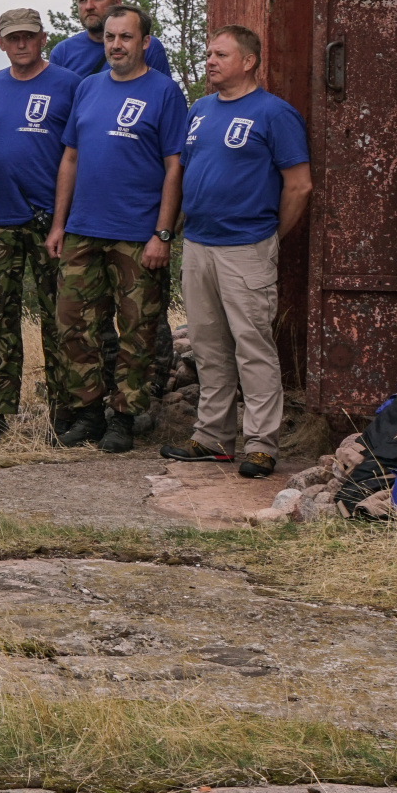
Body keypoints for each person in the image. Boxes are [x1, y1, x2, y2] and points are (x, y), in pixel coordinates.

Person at [161, 26, 312, 479]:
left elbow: (299, 184)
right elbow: (186, 171)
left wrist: (268, 237)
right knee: (209, 347)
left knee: (253, 348)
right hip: (199, 245)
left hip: (246, 247)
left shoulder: (274, 114)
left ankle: (262, 444)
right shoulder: (201, 110)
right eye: (208, 53)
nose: (210, 61)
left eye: (220, 54)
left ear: (248, 61)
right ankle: (213, 438)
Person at [44, 5, 187, 453]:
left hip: (136, 235)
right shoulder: (88, 88)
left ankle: (124, 417)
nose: (116, 45)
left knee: (137, 329)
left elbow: (174, 168)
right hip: (82, 230)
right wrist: (59, 224)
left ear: (145, 42)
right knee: (74, 325)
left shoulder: (165, 92)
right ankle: (86, 413)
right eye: (109, 37)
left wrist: (163, 234)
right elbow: (70, 158)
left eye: (126, 37)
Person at [0, 8, 79, 443]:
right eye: (12, 37)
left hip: (50, 223)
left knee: (59, 319)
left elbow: (77, 154)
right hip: (0, 220)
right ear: (1, 42)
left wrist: (60, 220)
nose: (21, 44)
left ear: (42, 39)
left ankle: (64, 415)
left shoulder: (69, 85)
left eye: (28, 36)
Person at [48, 0, 175, 80]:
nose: (89, 6)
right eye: (82, 0)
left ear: (117, 3)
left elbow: (162, 99)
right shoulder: (62, 53)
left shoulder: (146, 47)